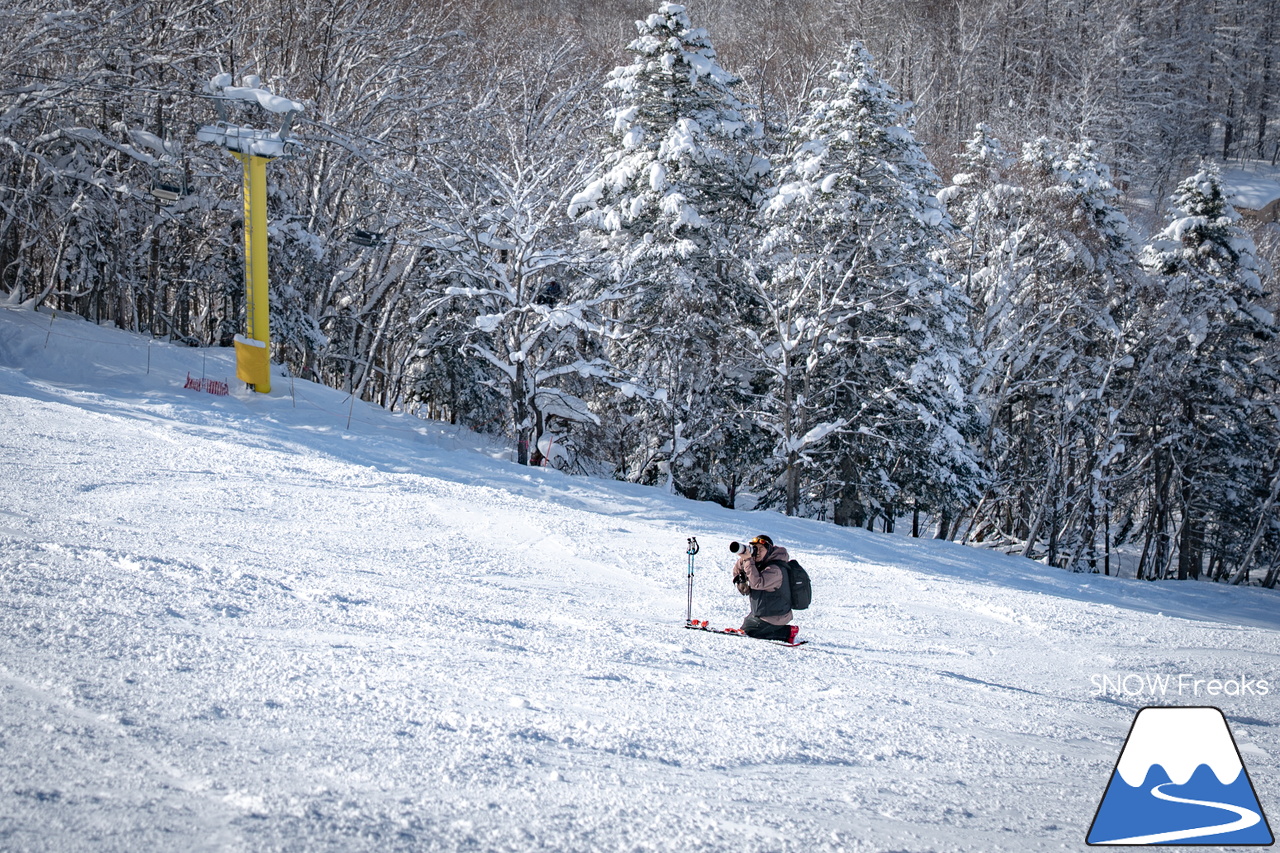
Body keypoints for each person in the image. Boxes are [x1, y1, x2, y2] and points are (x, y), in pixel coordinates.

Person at [732, 534, 800, 643]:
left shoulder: (776, 569)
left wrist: (748, 560)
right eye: (755, 548)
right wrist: (740, 580)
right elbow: (739, 566)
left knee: (750, 632)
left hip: (776, 615)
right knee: (745, 626)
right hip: (764, 611)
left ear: (768, 550)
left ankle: (787, 632)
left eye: (761, 549)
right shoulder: (759, 561)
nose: (757, 552)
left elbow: (757, 583)